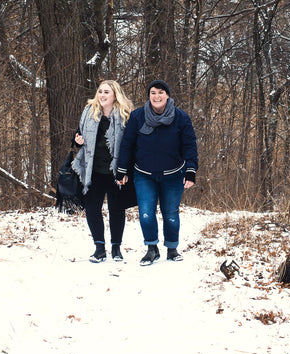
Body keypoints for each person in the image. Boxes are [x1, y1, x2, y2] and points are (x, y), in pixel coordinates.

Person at [116, 79, 198, 265]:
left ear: (167, 96)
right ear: (149, 96)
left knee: (170, 212)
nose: (157, 96)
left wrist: (191, 170)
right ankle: (151, 249)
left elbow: (189, 145)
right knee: (146, 212)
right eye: (153, 92)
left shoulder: (181, 117)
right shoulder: (137, 117)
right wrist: (122, 169)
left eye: (161, 92)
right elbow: (127, 144)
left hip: (173, 174)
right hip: (144, 174)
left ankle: (172, 248)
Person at [72, 80, 134, 263]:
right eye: (100, 91)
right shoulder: (89, 113)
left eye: (106, 91)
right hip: (93, 170)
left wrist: (126, 171)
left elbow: (131, 145)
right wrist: (78, 141)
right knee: (92, 209)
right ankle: (99, 248)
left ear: (115, 95)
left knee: (116, 210)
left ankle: (116, 248)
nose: (102, 95)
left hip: (116, 171)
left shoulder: (125, 116)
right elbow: (77, 137)